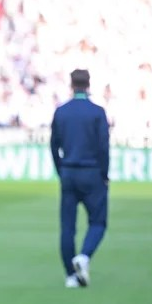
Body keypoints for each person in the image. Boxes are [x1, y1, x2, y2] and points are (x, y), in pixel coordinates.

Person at [50, 69, 110, 288]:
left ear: (71, 84)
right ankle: (83, 256)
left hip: (69, 172)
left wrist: (61, 170)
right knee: (98, 222)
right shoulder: (97, 112)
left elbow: (53, 145)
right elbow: (103, 147)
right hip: (92, 172)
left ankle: (71, 276)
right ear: (88, 84)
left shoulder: (61, 112)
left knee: (67, 227)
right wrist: (104, 174)